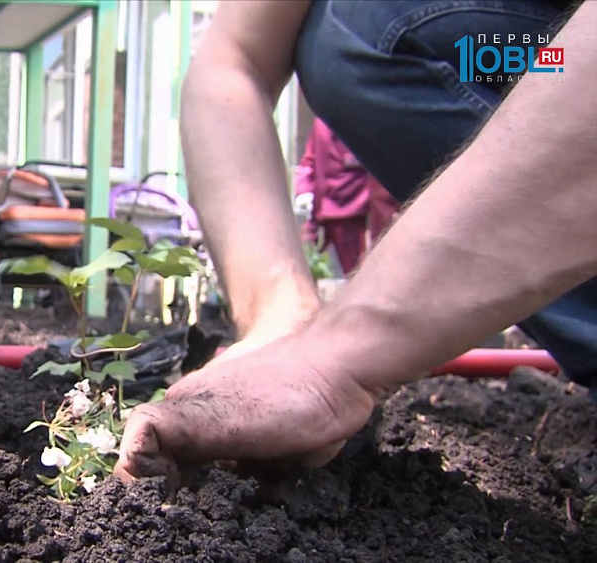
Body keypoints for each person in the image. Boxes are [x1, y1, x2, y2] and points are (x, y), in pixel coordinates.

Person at [114, 0, 595, 484]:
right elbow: (232, 61)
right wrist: (278, 321)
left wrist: (333, 362)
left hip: (527, 50)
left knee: (363, 32)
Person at [295, 117, 399, 275]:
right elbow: (310, 160)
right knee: (354, 272)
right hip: (339, 208)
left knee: (383, 264)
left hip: (377, 203)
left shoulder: (366, 114)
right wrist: (304, 192)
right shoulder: (322, 123)